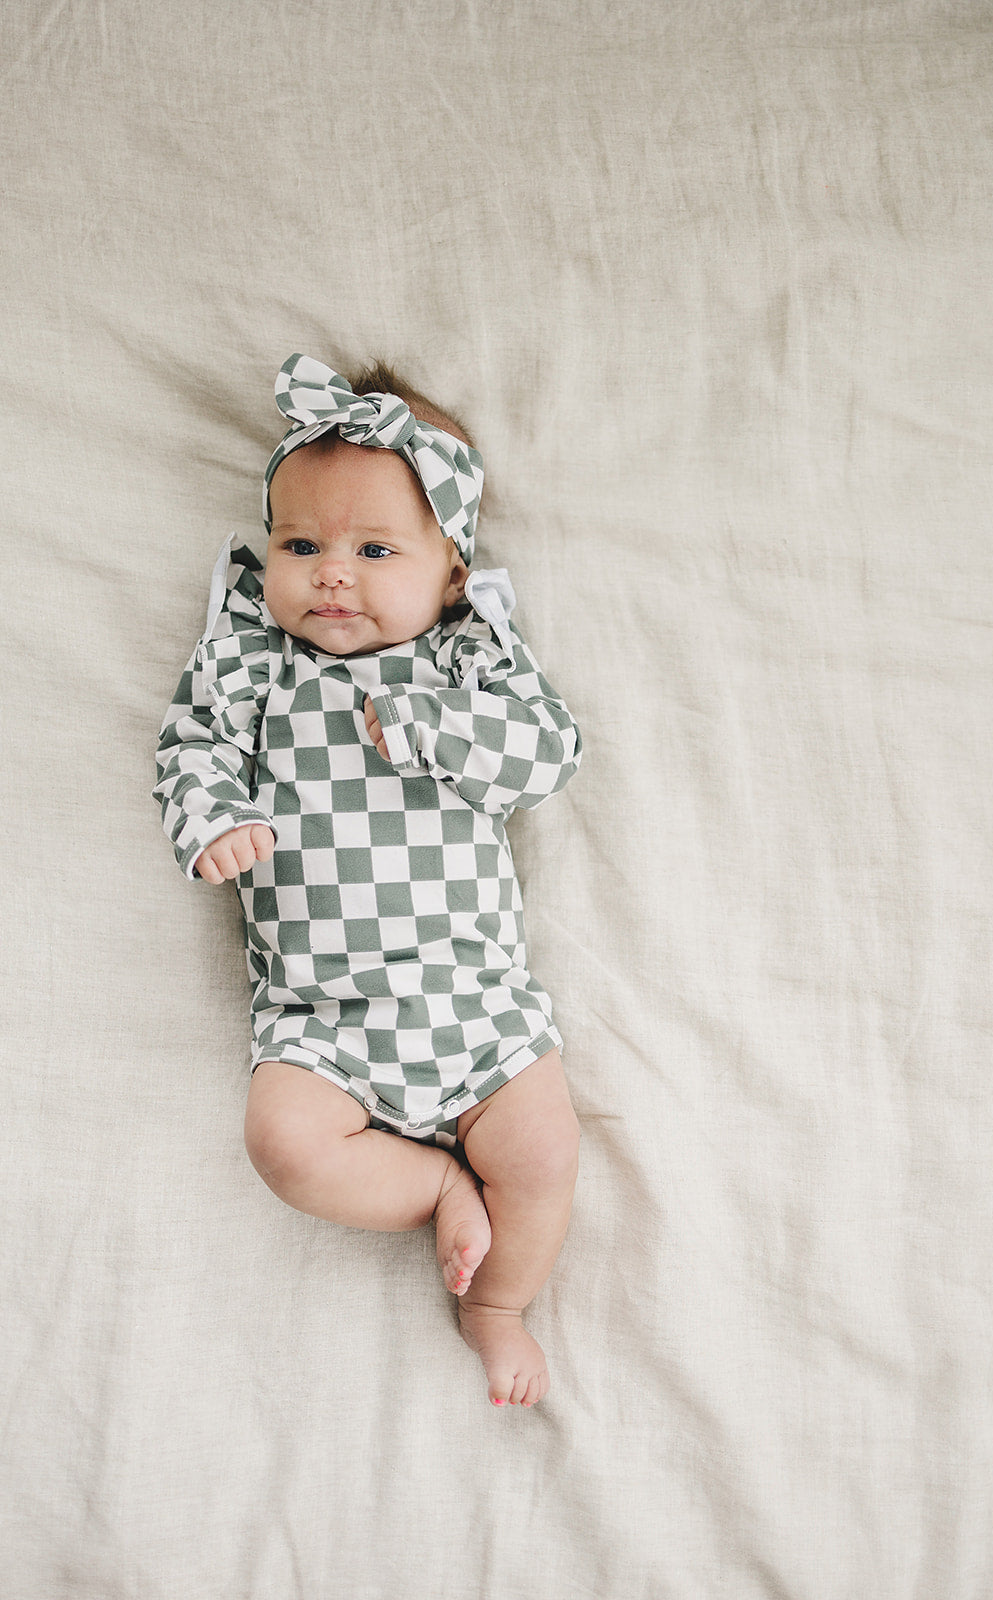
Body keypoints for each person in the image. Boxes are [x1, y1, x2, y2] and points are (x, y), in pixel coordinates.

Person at [154, 354, 582, 1408]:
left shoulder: (465, 660)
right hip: (321, 1019)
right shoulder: (255, 661)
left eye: (374, 549)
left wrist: (438, 727)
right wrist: (213, 818)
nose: (331, 574)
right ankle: (436, 1185)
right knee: (283, 1147)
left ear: (451, 571)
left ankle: (495, 1308)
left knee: (542, 1154)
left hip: (473, 1005)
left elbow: (546, 752)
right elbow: (191, 744)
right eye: (301, 545)